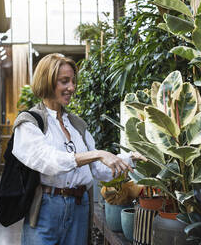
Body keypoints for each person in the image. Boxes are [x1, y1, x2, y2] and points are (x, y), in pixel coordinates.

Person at [12, 53, 145, 245]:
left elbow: (98, 170)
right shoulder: (30, 122)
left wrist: (132, 158)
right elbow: (48, 161)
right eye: (64, 81)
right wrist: (97, 154)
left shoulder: (76, 125)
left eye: (73, 81)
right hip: (47, 208)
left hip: (79, 207)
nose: (72, 88)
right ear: (47, 81)